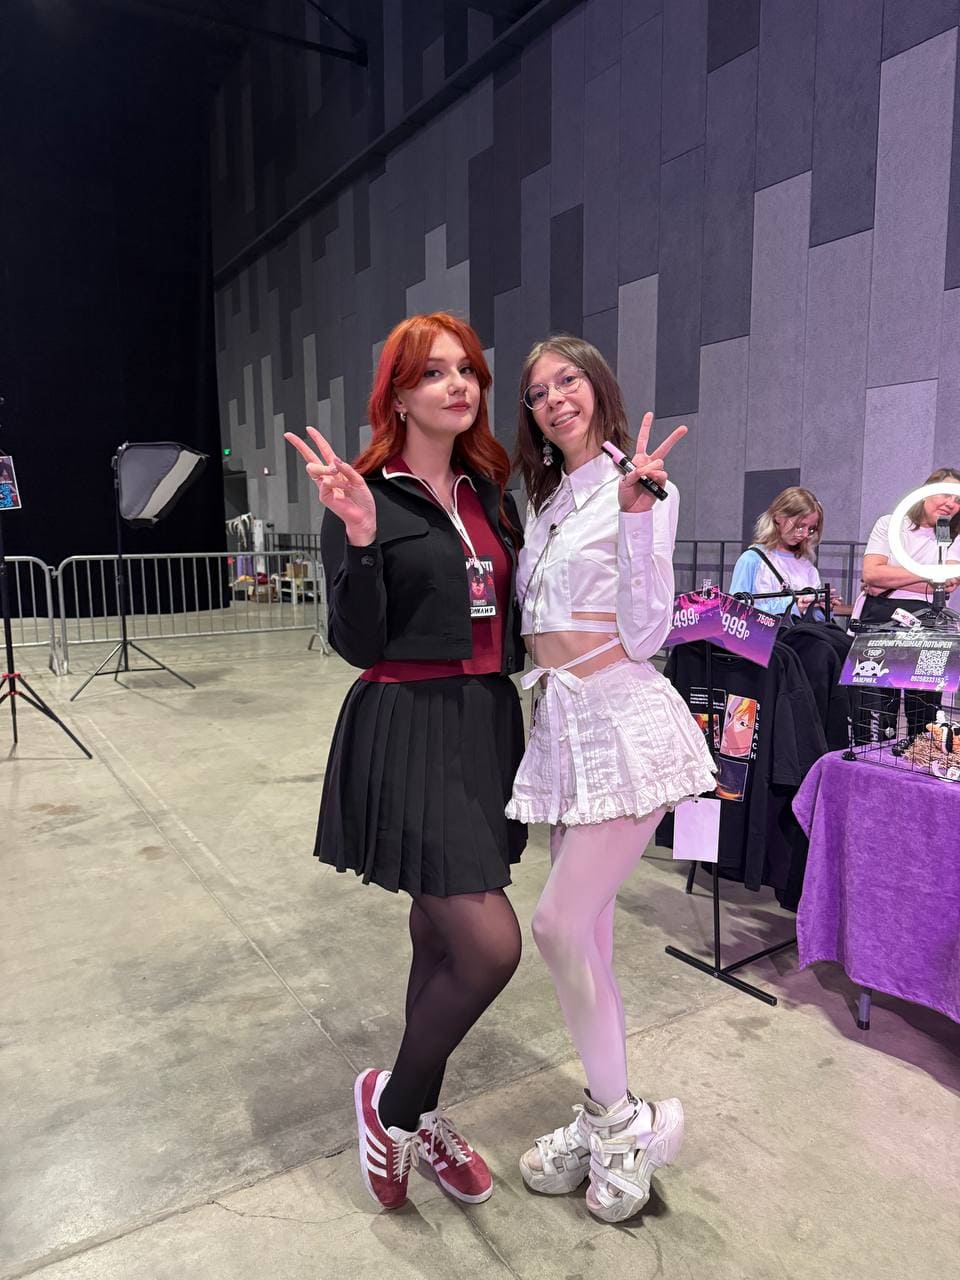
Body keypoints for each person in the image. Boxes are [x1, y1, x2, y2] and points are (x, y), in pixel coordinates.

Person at [284, 313, 527, 1213]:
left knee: (440, 933)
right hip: (407, 721)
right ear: (397, 394)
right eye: (433, 373)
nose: (457, 385)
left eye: (467, 371)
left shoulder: (490, 491)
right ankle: (393, 1111)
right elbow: (355, 641)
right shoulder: (364, 493)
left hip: (484, 721)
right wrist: (357, 535)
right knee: (489, 945)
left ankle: (410, 1109)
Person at [505, 336, 717, 1224]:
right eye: (538, 391)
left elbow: (647, 631)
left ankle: (625, 1124)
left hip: (625, 729)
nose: (556, 398)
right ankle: (607, 1115)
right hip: (562, 732)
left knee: (555, 925)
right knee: (586, 938)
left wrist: (635, 517)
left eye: (569, 381)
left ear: (598, 388)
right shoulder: (545, 498)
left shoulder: (642, 485)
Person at [855, 467, 960, 738]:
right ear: (925, 492)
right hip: (880, 620)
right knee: (875, 709)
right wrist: (930, 575)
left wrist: (888, 578)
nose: (951, 503)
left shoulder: (955, 536)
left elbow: (947, 583)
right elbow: (871, 574)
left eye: (958, 499)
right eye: (945, 494)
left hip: (931, 625)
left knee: (925, 715)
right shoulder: (890, 524)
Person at [728, 487, 834, 618]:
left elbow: (816, 621)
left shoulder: (808, 567)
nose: (805, 534)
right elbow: (735, 613)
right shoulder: (751, 560)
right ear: (778, 517)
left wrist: (824, 609)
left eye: (811, 529)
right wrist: (792, 607)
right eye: (800, 526)